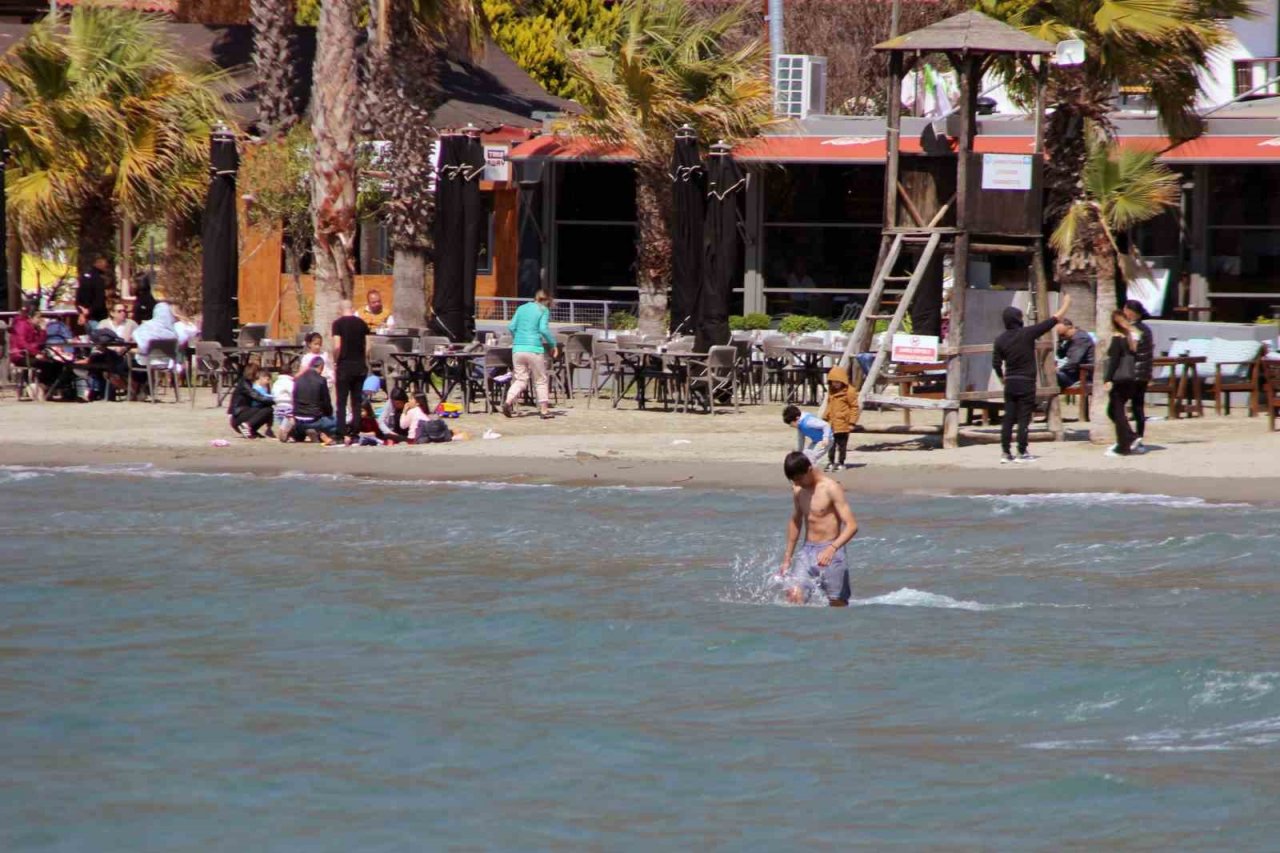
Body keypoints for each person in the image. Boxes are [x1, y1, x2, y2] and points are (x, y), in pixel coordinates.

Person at [992, 294, 1072, 464]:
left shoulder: (1000, 340)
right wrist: (1066, 304)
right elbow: (1053, 320)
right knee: (1023, 418)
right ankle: (1022, 452)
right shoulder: (1027, 333)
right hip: (1026, 382)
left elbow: (996, 364)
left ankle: (1006, 453)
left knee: (1008, 418)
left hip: (1011, 383)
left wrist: (1002, 379)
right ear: (1018, 319)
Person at [777, 451, 858, 606]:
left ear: (809, 469)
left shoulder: (831, 488)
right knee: (794, 599)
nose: (797, 484)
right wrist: (787, 558)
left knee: (837, 604)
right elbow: (796, 521)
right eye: (794, 481)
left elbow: (852, 526)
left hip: (831, 552)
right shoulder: (798, 489)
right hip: (807, 552)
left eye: (799, 479)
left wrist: (832, 548)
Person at [502, 290, 558, 419]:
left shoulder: (521, 308)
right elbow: (543, 329)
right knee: (540, 379)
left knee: (520, 379)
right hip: (534, 348)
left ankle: (508, 401)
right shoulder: (543, 310)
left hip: (518, 348)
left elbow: (511, 327)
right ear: (547, 300)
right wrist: (553, 344)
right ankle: (544, 411)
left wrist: (517, 338)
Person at [332, 299, 370, 446]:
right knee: (356, 401)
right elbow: (368, 346)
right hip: (359, 366)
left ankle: (341, 434)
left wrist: (336, 360)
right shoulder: (362, 323)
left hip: (344, 366)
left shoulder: (338, 324)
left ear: (340, 309)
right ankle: (355, 433)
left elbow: (337, 346)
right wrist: (362, 359)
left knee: (341, 401)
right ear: (352, 308)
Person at [1103, 310, 1140, 457]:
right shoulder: (1133, 336)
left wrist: (1107, 378)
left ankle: (1124, 445)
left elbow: (1114, 361)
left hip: (1120, 379)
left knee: (1116, 412)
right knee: (1113, 411)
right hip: (1131, 378)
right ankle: (1131, 437)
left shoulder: (1118, 338)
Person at [1122, 299, 1155, 450]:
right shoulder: (1147, 329)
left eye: (1125, 309)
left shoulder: (1133, 330)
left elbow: (1131, 351)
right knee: (1138, 407)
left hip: (1132, 374)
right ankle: (1139, 438)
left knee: (1116, 407)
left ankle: (1131, 437)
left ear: (1130, 311)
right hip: (1143, 374)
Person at [819, 365, 860, 472]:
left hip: (843, 423)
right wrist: (824, 418)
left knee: (842, 445)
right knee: (830, 445)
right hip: (831, 423)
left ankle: (841, 462)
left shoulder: (850, 391)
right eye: (833, 382)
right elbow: (829, 405)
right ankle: (831, 462)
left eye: (837, 382)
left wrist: (852, 423)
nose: (835, 384)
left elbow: (854, 407)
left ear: (842, 380)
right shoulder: (831, 391)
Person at [291, 356, 336, 445]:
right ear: (321, 367)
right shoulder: (321, 380)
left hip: (298, 418)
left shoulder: (298, 380)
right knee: (337, 422)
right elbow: (326, 403)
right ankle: (319, 433)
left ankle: (299, 432)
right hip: (314, 419)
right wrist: (329, 415)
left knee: (302, 425)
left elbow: (294, 399)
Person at [228, 366, 276, 439]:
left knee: (267, 409)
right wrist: (275, 400)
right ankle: (246, 425)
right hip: (238, 417)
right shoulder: (245, 384)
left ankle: (252, 430)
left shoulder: (247, 383)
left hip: (241, 415)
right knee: (268, 409)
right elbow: (257, 396)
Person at [1054, 318, 1094, 390]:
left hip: (1083, 375)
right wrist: (1059, 341)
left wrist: (1059, 369)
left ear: (1069, 327)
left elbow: (1074, 361)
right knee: (1051, 376)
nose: (1063, 337)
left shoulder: (1081, 338)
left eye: (1063, 334)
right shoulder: (1071, 339)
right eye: (1060, 335)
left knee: (1054, 377)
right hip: (1074, 373)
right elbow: (1060, 355)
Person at [75, 257, 110, 332]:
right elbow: (100, 299)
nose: (106, 267)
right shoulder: (99, 278)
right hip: (97, 317)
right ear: (98, 263)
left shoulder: (83, 277)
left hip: (85, 316)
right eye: (105, 265)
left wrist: (81, 312)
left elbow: (78, 298)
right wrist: (89, 311)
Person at [272, 369, 295, 442]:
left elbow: (273, 393)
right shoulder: (290, 382)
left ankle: (282, 431)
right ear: (290, 373)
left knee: (280, 420)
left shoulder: (276, 382)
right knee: (290, 421)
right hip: (288, 404)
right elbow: (293, 392)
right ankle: (285, 432)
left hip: (278, 405)